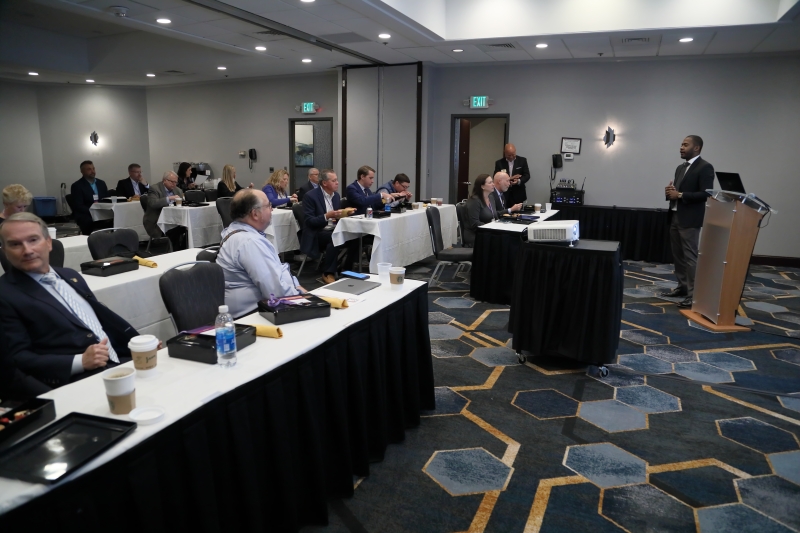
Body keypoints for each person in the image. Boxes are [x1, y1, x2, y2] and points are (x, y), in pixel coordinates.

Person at [0, 213, 138, 388]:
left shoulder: (70, 275)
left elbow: (100, 323)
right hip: (74, 381)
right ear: (5, 252)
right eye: (15, 244)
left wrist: (137, 345)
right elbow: (16, 359)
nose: (27, 250)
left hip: (117, 363)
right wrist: (80, 361)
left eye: (33, 240)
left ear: (48, 242)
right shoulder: (5, 294)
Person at [216, 189, 305, 317]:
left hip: (258, 308)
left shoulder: (234, 230)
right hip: (254, 315)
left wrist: (296, 286)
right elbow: (276, 292)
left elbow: (277, 272)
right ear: (255, 214)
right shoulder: (250, 243)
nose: (272, 209)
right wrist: (302, 296)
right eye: (268, 206)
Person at [663, 135, 715, 309]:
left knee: (690, 257)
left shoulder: (705, 167)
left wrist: (679, 195)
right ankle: (683, 287)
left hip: (690, 220)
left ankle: (694, 296)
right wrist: (670, 192)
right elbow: (677, 193)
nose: (681, 147)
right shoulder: (680, 168)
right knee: (678, 256)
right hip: (675, 216)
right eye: (681, 144)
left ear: (696, 148)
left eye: (685, 145)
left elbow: (706, 193)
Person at [301, 169, 356, 284]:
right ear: (324, 183)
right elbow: (309, 221)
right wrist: (326, 216)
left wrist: (344, 213)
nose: (337, 183)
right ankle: (328, 272)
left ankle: (346, 268)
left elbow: (336, 217)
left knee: (354, 236)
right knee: (335, 237)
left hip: (333, 228)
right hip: (316, 232)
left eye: (337, 180)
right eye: (334, 180)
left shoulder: (336, 196)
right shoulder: (310, 196)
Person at [144, 171, 185, 250]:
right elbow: (153, 203)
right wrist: (169, 199)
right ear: (164, 180)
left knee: (186, 227)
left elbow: (182, 204)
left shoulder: (178, 190)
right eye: (172, 182)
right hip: (157, 220)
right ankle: (175, 251)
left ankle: (182, 249)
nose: (174, 184)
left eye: (176, 182)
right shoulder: (154, 188)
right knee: (175, 229)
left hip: (175, 219)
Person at [70, 160, 109, 235]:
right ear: (82, 171)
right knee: (87, 221)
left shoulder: (101, 183)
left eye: (93, 168)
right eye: (89, 169)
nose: (92, 171)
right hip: (86, 213)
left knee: (116, 218)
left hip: (102, 212)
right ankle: (89, 239)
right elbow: (78, 206)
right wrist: (94, 211)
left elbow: (106, 199)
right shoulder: (77, 186)